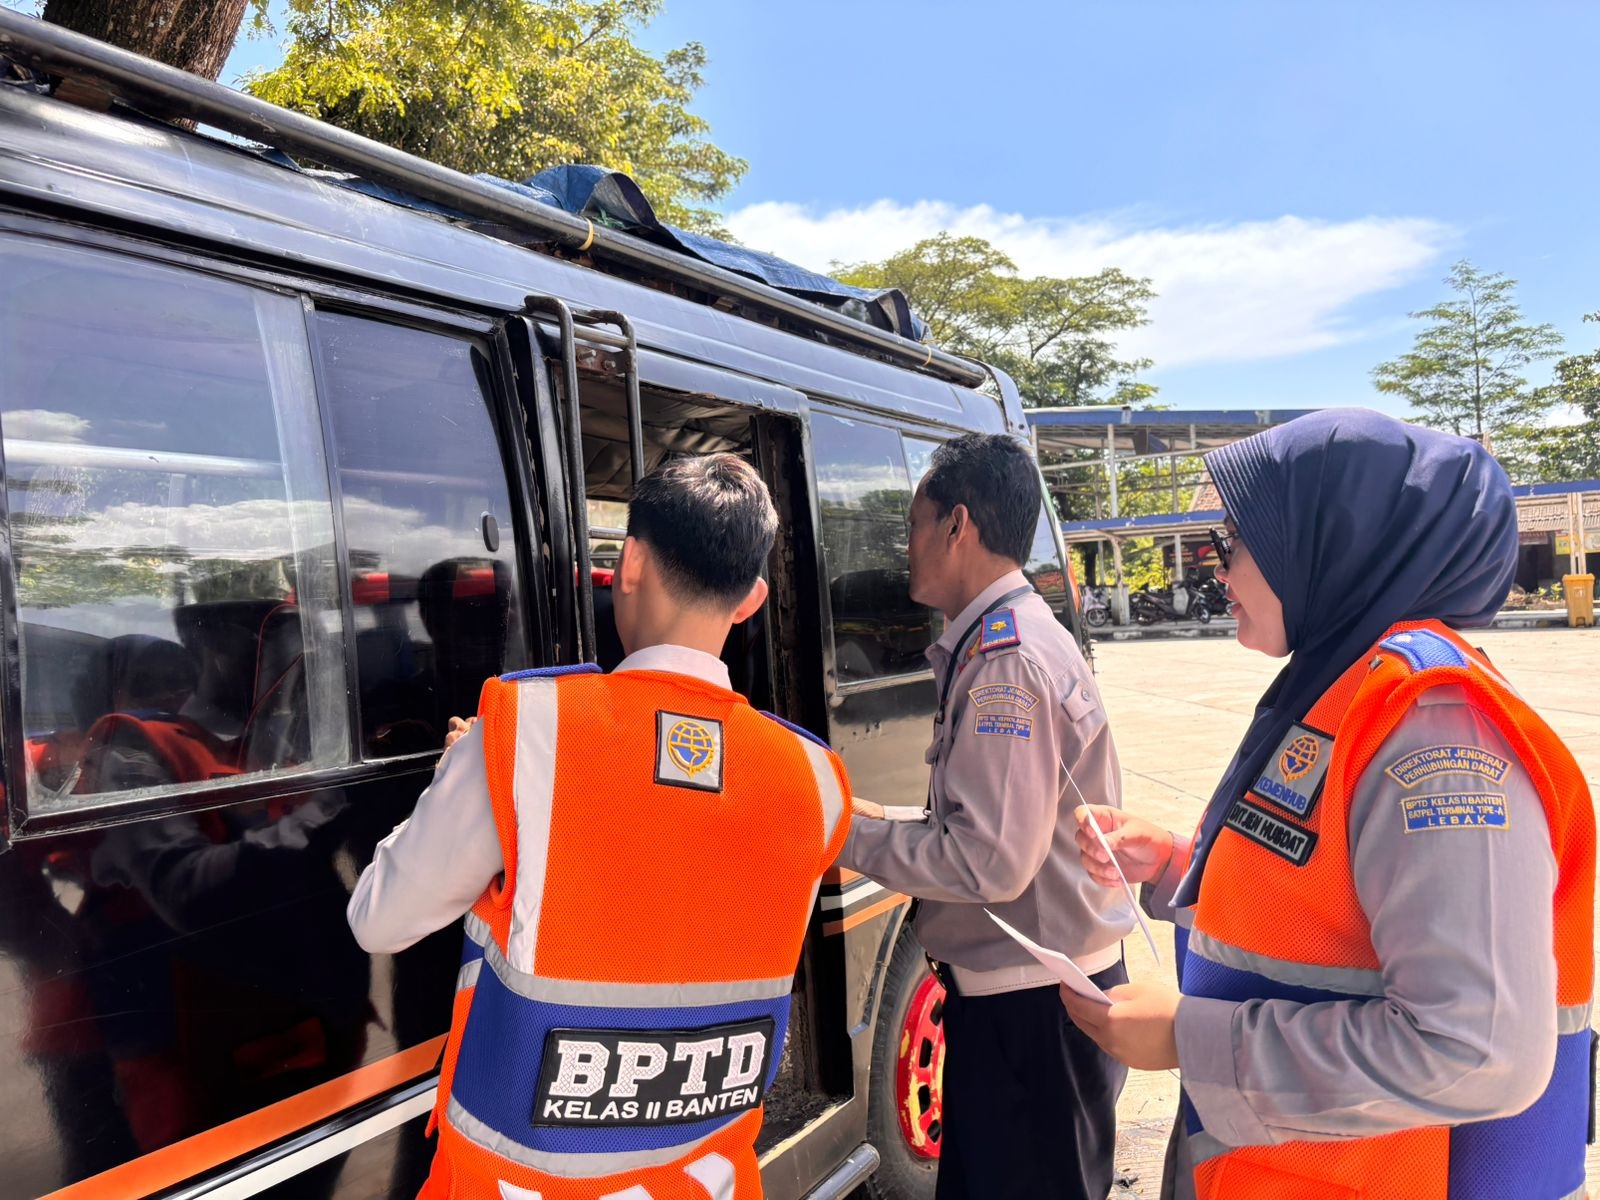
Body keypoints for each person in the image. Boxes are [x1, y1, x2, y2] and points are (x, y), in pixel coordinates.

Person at [1062, 409, 1595, 1200]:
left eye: (1236, 543)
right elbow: (1331, 900)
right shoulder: (1342, 687)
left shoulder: (1436, 737)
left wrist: (1191, 1038)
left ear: (1332, 539)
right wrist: (1179, 860)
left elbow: (1476, 1051)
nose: (1222, 571)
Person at [348, 454, 852, 1200]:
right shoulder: (816, 781)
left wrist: (463, 776)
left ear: (631, 563)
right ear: (751, 600)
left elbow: (377, 920)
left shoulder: (521, 739)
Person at [842, 432, 1134, 1200]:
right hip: (1024, 1007)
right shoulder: (1003, 641)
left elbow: (990, 863)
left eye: (913, 524)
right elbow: (1003, 820)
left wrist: (847, 836)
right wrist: (890, 819)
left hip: (1035, 1018)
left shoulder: (1006, 660)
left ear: (956, 526)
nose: (905, 547)